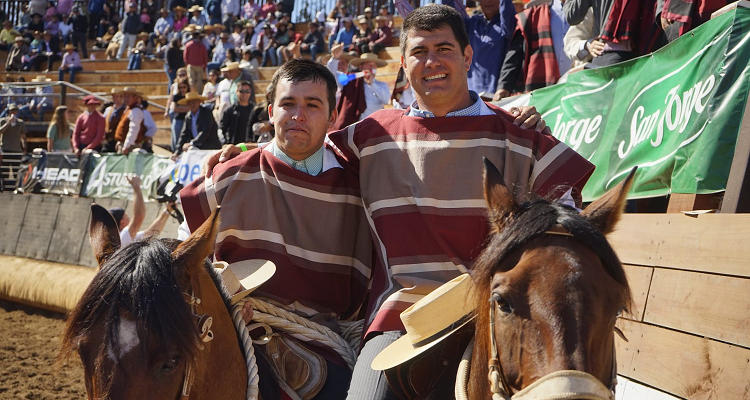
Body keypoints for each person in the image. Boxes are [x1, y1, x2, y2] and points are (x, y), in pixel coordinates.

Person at [180, 58, 372, 399]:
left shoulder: (357, 187)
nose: (298, 115)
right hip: (232, 328)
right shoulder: (230, 175)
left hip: (324, 338)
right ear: (271, 112)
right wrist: (222, 302)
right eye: (288, 104)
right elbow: (184, 259)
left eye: (312, 105)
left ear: (332, 117)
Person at [493, 0, 571, 100]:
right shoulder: (532, 16)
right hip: (543, 92)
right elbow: (515, 54)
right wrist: (504, 86)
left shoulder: (591, 13)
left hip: (581, 89)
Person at [451, 0, 517, 97]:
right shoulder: (471, 24)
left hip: (497, 96)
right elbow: (452, 12)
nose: (487, 1)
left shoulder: (506, 26)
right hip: (470, 97)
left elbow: (507, 12)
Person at [108, 176, 178, 248]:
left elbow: (151, 233)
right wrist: (136, 186)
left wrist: (167, 211)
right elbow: (139, 216)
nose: (129, 220)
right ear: (122, 222)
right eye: (128, 218)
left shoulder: (125, 239)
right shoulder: (121, 238)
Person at [329, 51, 391, 129]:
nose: (372, 68)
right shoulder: (351, 81)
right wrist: (335, 58)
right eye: (369, 65)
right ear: (361, 67)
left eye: (374, 66)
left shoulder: (381, 85)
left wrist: (372, 84)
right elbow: (331, 75)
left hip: (373, 127)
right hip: (352, 127)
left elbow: (387, 100)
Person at [173, 91, 222, 157]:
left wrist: (192, 143)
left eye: (194, 101)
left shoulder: (207, 113)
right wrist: (177, 152)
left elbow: (205, 131)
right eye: (190, 102)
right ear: (187, 104)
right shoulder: (188, 116)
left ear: (199, 102)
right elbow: (183, 134)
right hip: (197, 150)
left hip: (210, 149)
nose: (192, 104)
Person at [219, 80, 254, 144]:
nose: (244, 94)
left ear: (250, 92)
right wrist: (225, 143)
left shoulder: (255, 109)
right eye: (241, 91)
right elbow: (222, 129)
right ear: (236, 92)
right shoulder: (229, 110)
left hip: (251, 147)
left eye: (247, 91)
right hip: (234, 146)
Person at [169, 77, 191, 152]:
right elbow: (174, 108)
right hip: (178, 120)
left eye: (184, 87)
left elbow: (191, 108)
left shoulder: (190, 96)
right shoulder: (176, 96)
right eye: (180, 87)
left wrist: (180, 107)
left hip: (188, 121)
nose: (182, 89)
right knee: (177, 140)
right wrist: (186, 108)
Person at [184, 29, 208, 94]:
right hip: (200, 65)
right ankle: (199, 93)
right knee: (199, 81)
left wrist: (187, 64)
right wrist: (204, 66)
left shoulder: (188, 45)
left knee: (191, 80)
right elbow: (205, 57)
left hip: (191, 64)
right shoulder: (202, 46)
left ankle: (192, 93)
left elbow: (185, 56)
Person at [102, 88, 126, 152]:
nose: (115, 98)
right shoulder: (108, 110)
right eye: (114, 96)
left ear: (122, 97)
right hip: (108, 140)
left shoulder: (126, 110)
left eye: (117, 96)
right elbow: (103, 123)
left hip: (120, 141)